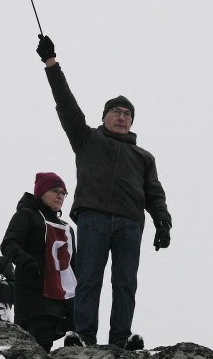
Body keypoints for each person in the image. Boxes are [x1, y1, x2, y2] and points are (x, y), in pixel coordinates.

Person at [35, 35, 171, 350]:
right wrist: (51, 63)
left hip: (129, 223)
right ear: (105, 117)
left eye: (127, 114)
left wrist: (163, 222)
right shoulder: (87, 139)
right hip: (93, 216)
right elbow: (66, 105)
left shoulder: (144, 157)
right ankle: (83, 334)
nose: (122, 117)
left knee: (125, 283)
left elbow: (155, 194)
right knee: (89, 279)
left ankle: (121, 338)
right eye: (116, 112)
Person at [1, 172, 77, 352]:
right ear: (41, 192)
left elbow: (74, 263)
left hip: (63, 300)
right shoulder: (26, 215)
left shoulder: (67, 228)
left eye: (63, 192)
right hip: (34, 297)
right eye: (55, 190)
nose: (60, 195)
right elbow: (9, 243)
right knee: (38, 345)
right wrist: (27, 263)